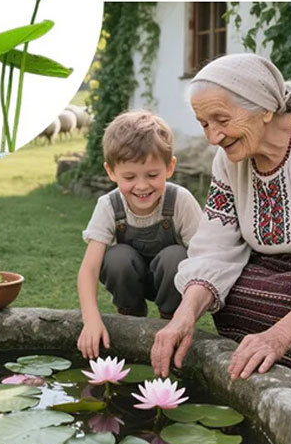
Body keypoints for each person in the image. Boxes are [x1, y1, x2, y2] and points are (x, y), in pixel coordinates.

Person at [151, 55, 291, 381]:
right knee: (226, 291)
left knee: (277, 300)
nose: (214, 137)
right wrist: (184, 315)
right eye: (204, 124)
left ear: (265, 108)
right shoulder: (228, 161)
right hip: (275, 271)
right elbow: (215, 245)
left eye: (221, 119)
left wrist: (279, 335)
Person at [77, 112, 202, 359]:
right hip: (130, 279)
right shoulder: (108, 205)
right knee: (117, 257)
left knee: (176, 256)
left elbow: (204, 259)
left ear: (170, 167)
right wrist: (91, 320)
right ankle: (130, 320)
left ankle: (169, 321)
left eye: (152, 175)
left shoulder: (181, 201)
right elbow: (88, 270)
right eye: (130, 177)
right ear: (111, 172)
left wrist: (187, 314)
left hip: (171, 283)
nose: (142, 186)